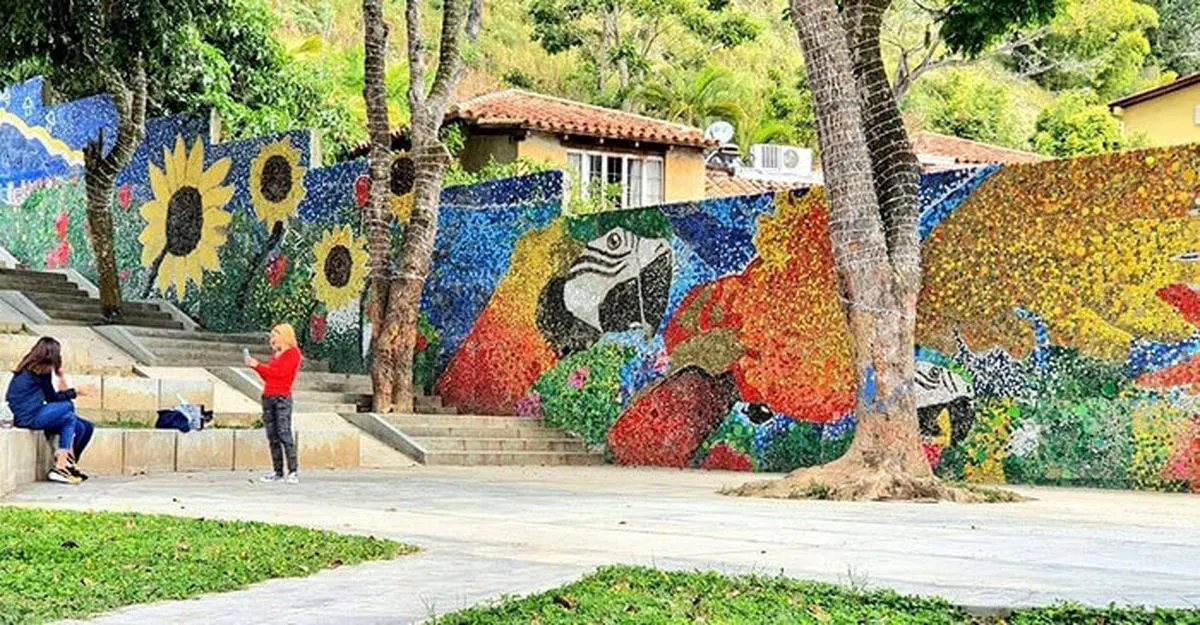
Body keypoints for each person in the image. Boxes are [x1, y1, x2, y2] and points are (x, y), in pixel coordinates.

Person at [5, 337, 94, 484]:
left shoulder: (29, 367)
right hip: (29, 417)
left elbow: (52, 397)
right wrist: (76, 391)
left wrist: (60, 374)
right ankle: (65, 461)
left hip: (28, 414)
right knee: (68, 406)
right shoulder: (40, 373)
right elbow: (53, 398)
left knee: (73, 420)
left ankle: (61, 466)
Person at [246, 323, 302, 484]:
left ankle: (293, 470)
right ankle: (278, 471)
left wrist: (258, 366)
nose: (272, 339)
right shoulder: (276, 355)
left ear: (284, 336)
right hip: (268, 396)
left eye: (275, 335)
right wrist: (256, 368)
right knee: (272, 435)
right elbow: (269, 377)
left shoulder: (293, 353)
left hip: (282, 397)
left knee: (284, 433)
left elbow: (281, 374)